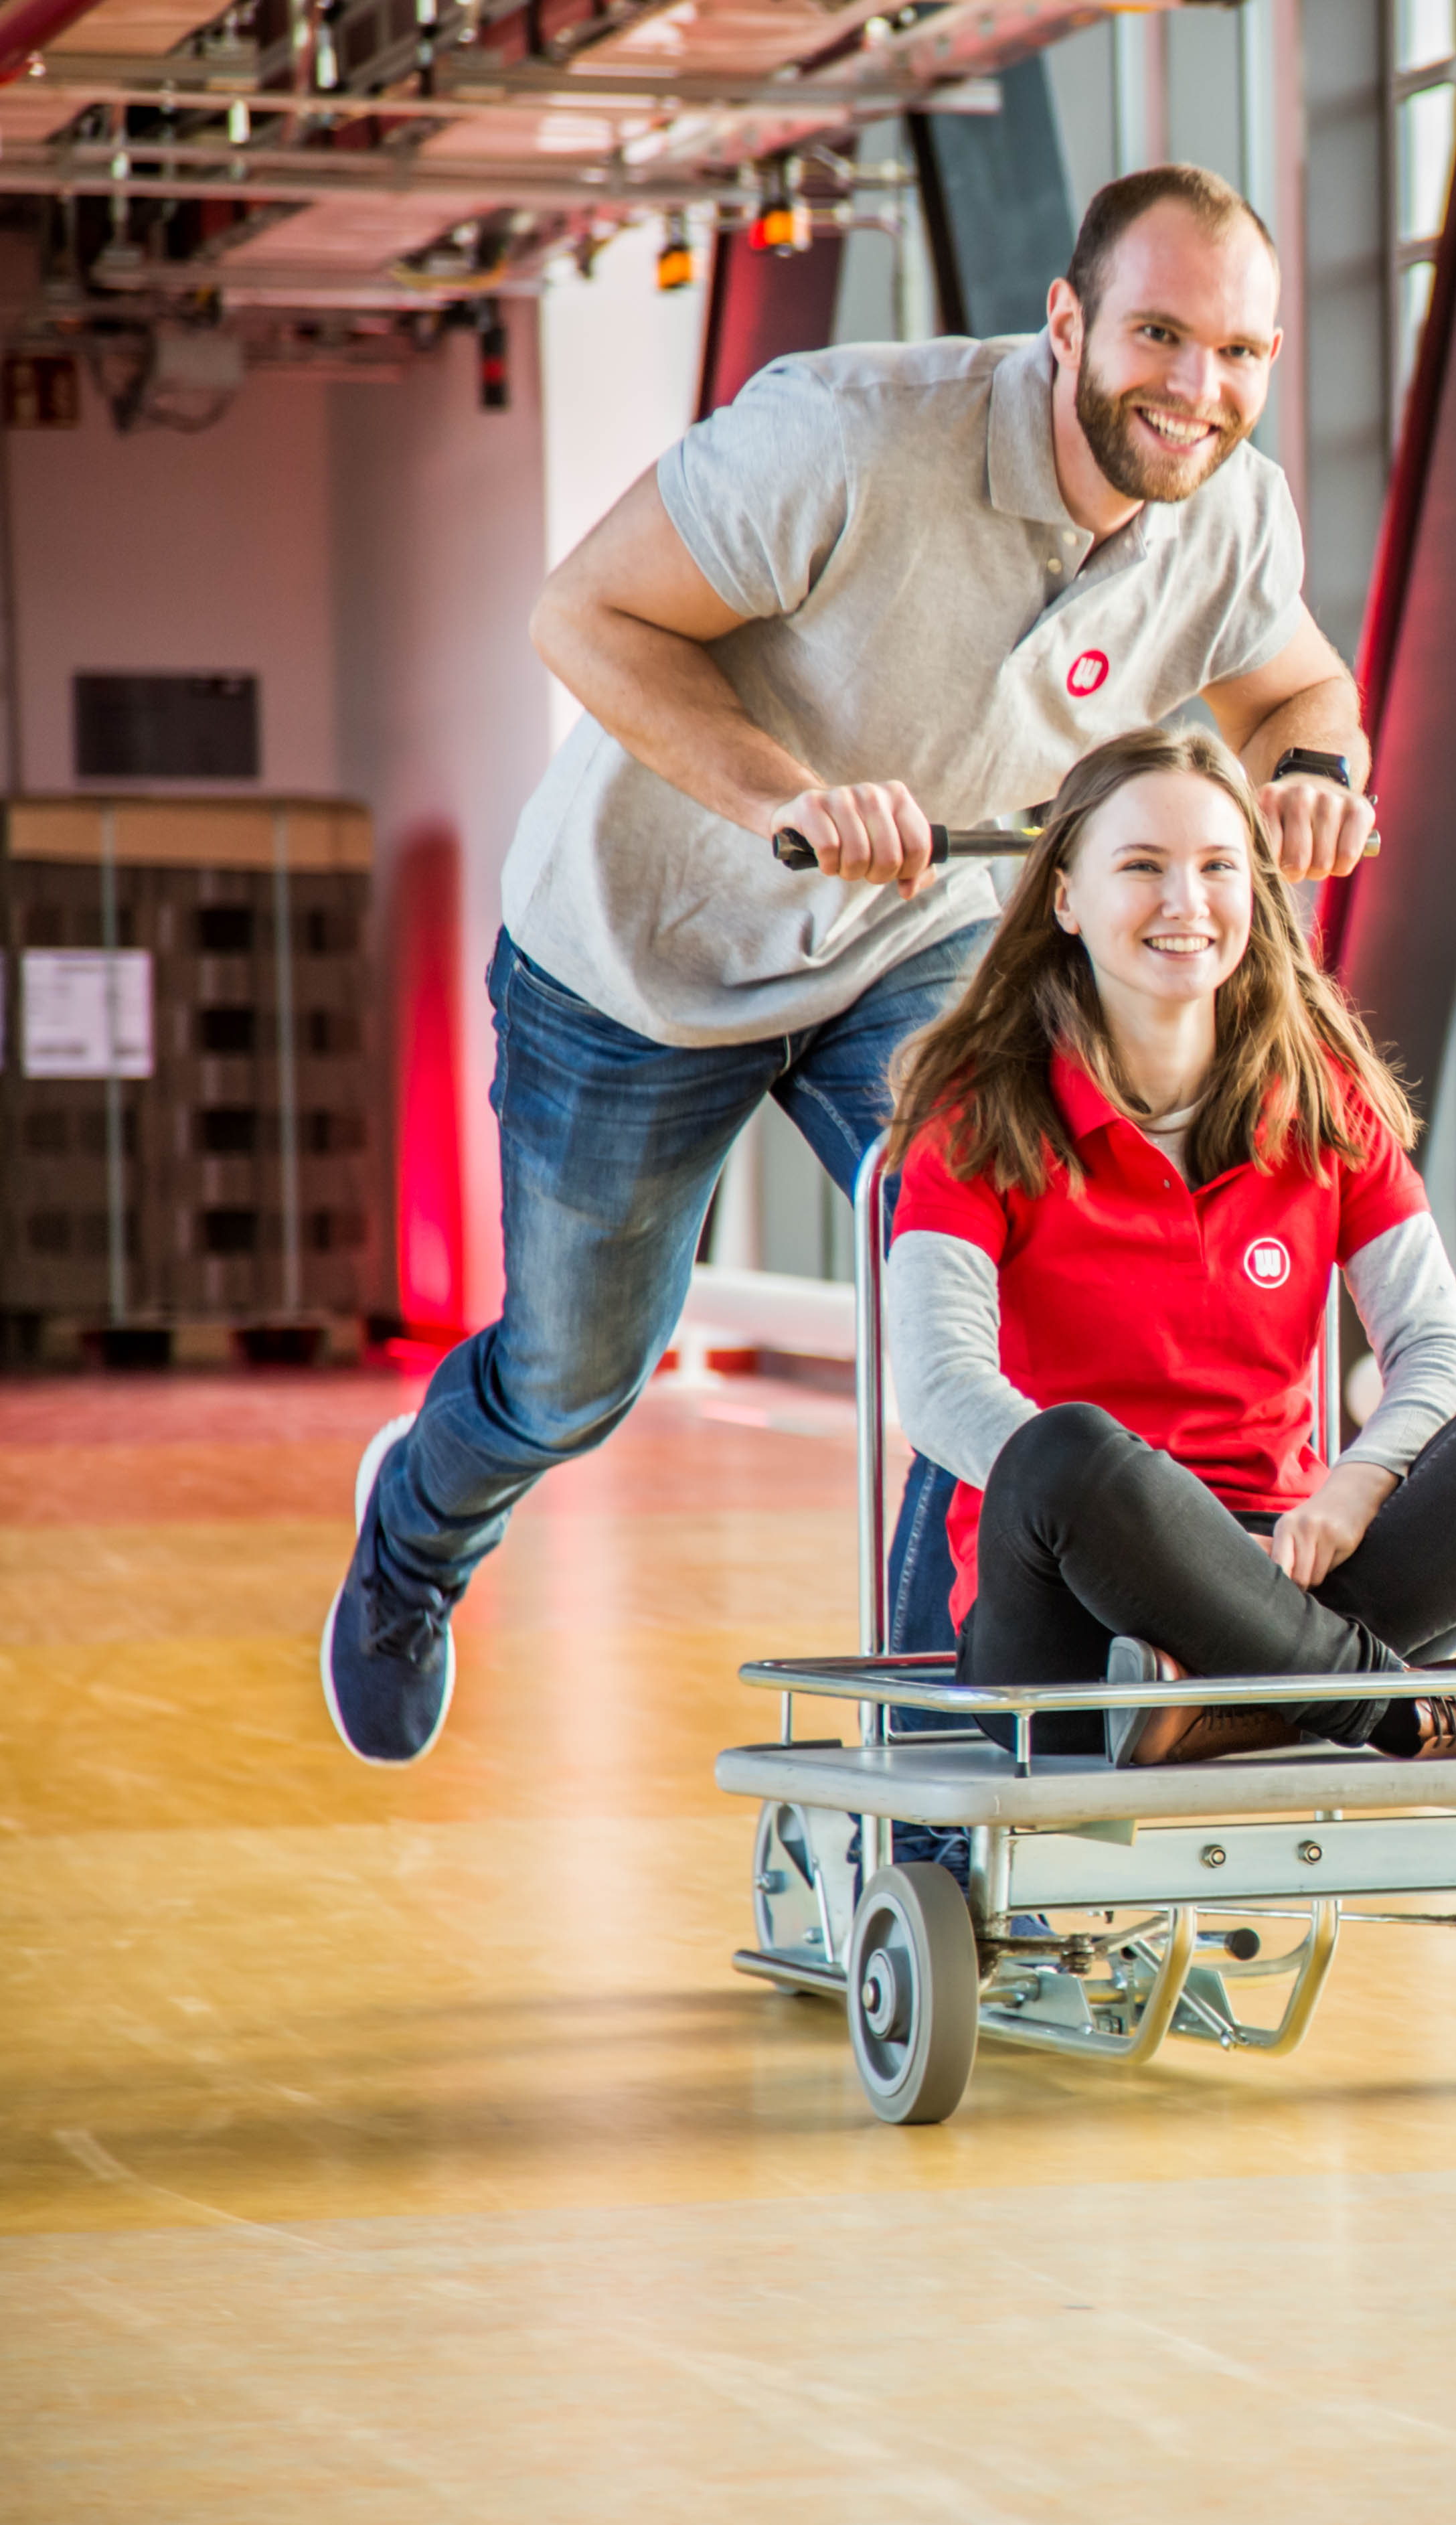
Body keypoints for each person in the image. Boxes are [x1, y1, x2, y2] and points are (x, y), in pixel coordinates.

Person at [323, 163, 1383, 1765]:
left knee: (998, 1307)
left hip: (912, 954)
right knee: (571, 1379)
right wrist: (790, 802)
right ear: (1065, 324)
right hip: (636, 956)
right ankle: (412, 1533)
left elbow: (1301, 690)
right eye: (1159, 336)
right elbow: (584, 614)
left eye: (1240, 353)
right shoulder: (846, 436)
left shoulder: (1223, 516)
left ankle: (955, 1745)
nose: (1199, 388)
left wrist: (1314, 770)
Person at [884, 724, 1456, 1764]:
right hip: (1072, 1616)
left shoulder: (1323, 1105)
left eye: (1218, 867)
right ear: (1066, 899)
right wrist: (1179, 1541)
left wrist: (1358, 1483)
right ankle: (1398, 1712)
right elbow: (941, 1388)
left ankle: (1228, 1702)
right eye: (1142, 868)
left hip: (1296, 1556)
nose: (1186, 902)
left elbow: (1438, 1350)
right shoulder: (980, 1115)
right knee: (1063, 1452)